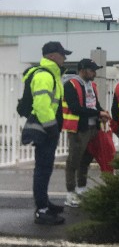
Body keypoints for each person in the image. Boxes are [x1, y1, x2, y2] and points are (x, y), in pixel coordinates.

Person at [23, 42, 71, 224]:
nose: (64, 58)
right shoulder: (45, 75)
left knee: (45, 168)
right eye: (62, 54)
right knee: (42, 170)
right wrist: (52, 128)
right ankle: (41, 210)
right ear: (51, 56)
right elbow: (42, 105)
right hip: (45, 129)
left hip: (47, 129)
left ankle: (44, 203)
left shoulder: (52, 74)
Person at [62, 58, 110, 208]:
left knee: (86, 160)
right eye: (92, 70)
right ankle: (70, 194)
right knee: (73, 161)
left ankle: (81, 189)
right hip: (78, 129)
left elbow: (95, 104)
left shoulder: (92, 85)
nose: (95, 73)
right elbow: (76, 108)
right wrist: (98, 113)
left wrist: (101, 113)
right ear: (82, 69)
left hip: (92, 129)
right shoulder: (70, 85)